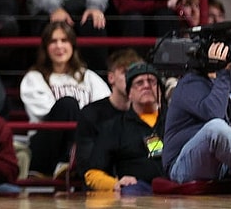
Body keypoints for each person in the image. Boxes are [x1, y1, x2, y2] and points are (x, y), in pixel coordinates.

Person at [163, 42, 231, 196]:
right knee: (216, 128)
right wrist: (222, 73)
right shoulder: (188, 84)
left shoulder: (230, 81)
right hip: (183, 164)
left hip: (224, 162)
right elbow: (214, 114)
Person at [19, 21, 110, 177]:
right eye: (53, 41)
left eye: (64, 40)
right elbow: (51, 113)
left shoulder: (87, 76)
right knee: (68, 104)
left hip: (82, 142)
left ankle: (75, 165)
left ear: (72, 45)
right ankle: (66, 162)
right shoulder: (34, 77)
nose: (59, 46)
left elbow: (105, 107)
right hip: (45, 146)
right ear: (46, 48)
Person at [86, 62, 165, 195]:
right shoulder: (114, 127)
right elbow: (92, 174)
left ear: (160, 90)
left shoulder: (174, 123)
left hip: (173, 185)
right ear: (129, 94)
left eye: (152, 81)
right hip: (137, 189)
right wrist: (116, 184)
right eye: (139, 83)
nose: (146, 86)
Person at [74, 48, 139, 178]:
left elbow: (156, 156)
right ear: (111, 78)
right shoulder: (90, 114)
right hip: (103, 187)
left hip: (141, 186)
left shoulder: (146, 114)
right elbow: (86, 166)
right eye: (125, 73)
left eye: (136, 73)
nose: (132, 78)